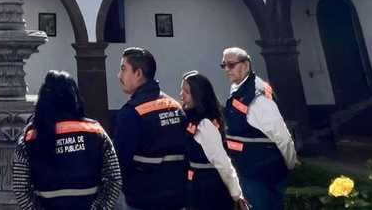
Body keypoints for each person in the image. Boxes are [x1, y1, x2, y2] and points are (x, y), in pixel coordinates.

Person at [11, 70, 121, 209]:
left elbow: (20, 188)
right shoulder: (96, 132)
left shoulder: (29, 138)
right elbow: (114, 179)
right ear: (74, 97)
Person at [219, 47, 296, 210]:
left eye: (231, 65)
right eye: (223, 65)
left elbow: (282, 137)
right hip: (249, 171)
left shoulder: (258, 97)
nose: (226, 70)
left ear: (246, 65)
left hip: (263, 175)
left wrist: (290, 163)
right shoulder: (239, 88)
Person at [112, 47, 186, 210]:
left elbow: (119, 162)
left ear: (138, 74)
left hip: (144, 199)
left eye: (123, 69)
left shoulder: (131, 112)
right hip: (177, 196)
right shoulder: (175, 106)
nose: (119, 75)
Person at [178, 71, 248, 210]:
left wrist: (237, 195)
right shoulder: (188, 117)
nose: (181, 94)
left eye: (186, 91)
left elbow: (222, 162)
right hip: (195, 187)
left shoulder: (205, 124)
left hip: (210, 190)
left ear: (198, 95)